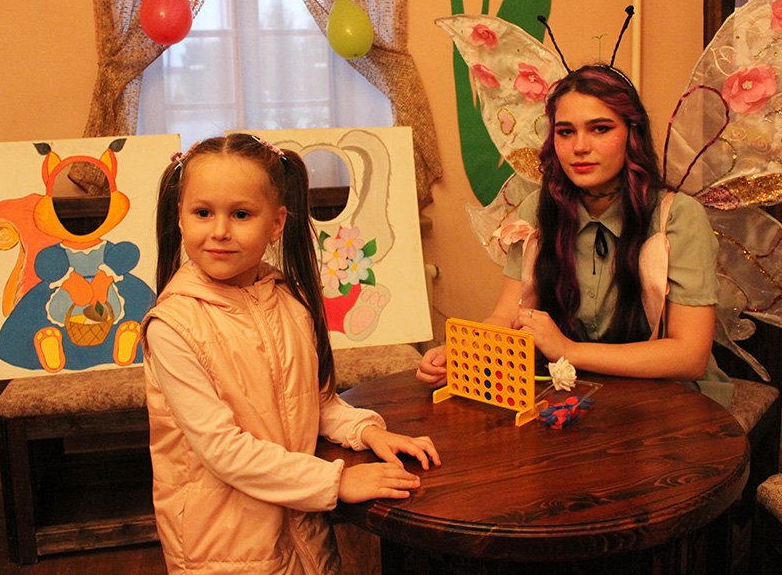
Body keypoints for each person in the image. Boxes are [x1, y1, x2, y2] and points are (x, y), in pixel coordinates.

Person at [144, 133, 440, 574]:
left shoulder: (289, 301)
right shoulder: (173, 327)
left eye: (241, 214)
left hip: (301, 526)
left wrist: (365, 431)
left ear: (276, 223)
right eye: (203, 212)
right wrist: (337, 480)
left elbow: (314, 403)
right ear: (181, 219)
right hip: (225, 543)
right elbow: (222, 450)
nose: (220, 231)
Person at [417, 64, 733, 406]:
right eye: (566, 132)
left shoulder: (677, 217)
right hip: (573, 388)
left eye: (600, 129)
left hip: (667, 397)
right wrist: (463, 353)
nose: (580, 147)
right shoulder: (536, 210)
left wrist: (569, 350)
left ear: (633, 133)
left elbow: (690, 356)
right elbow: (507, 315)